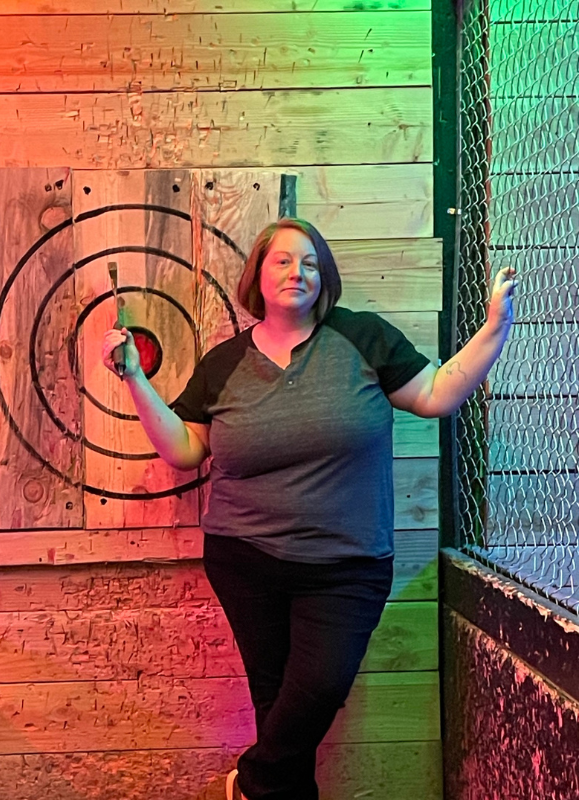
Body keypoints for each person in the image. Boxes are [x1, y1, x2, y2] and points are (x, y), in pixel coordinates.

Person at [101, 217, 515, 800]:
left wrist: (495, 329)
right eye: (283, 261)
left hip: (348, 564)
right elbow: (185, 451)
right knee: (276, 704)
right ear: (258, 277)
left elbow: (438, 394)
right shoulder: (223, 364)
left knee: (317, 689)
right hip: (245, 559)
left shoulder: (363, 339)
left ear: (325, 278)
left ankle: (252, 782)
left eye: (311, 263)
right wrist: (137, 382)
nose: (298, 271)